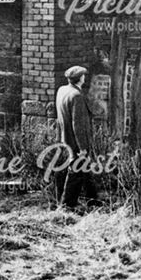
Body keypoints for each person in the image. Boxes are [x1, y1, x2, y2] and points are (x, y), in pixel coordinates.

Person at [54, 65, 99, 208]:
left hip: (64, 138)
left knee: (85, 170)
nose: (84, 78)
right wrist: (83, 148)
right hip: (74, 141)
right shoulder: (77, 96)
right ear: (80, 79)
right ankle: (67, 206)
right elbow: (78, 126)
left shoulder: (62, 90)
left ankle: (93, 200)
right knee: (76, 172)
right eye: (83, 76)